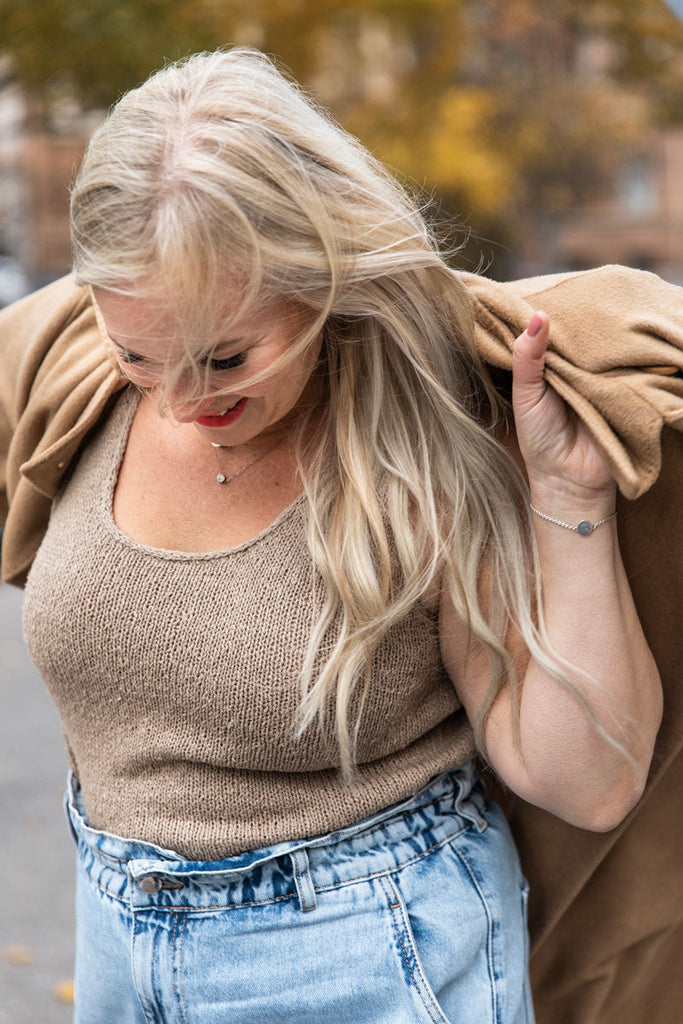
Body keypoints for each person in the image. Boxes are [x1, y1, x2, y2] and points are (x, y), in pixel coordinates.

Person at [1, 48, 664, 1024]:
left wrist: (572, 497)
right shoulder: (72, 382)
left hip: (371, 958)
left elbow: (588, 782)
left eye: (224, 357)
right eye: (139, 353)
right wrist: (155, 364)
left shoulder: (422, 448)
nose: (179, 402)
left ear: (317, 279)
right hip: (116, 950)